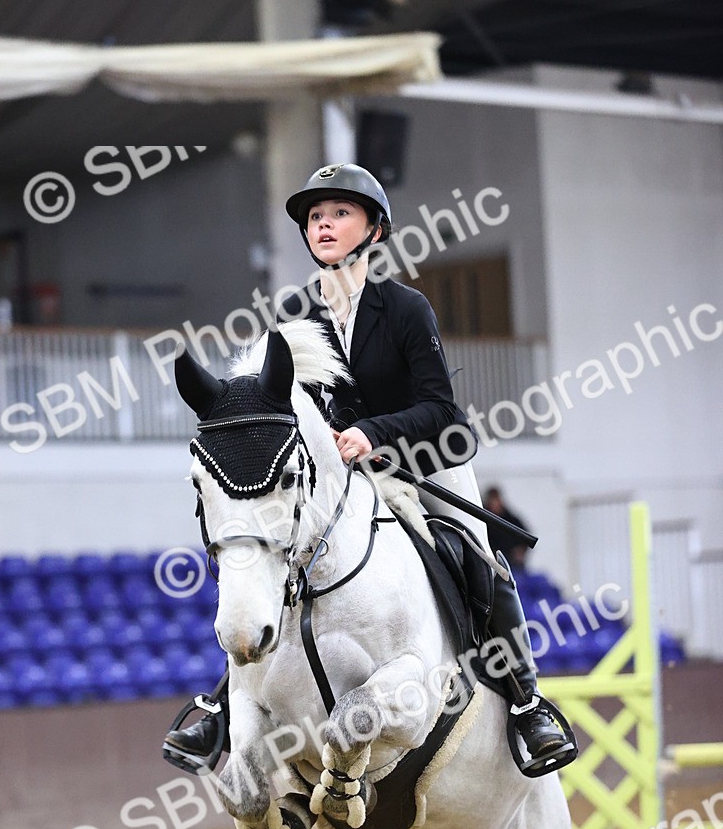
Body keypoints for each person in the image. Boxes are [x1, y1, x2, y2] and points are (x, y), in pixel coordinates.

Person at [164, 163, 574, 773]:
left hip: (423, 460)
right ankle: (225, 709)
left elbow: (440, 407)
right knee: (269, 558)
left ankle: (525, 704)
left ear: (375, 230)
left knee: (477, 560)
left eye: (340, 214)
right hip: (340, 473)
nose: (324, 225)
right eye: (315, 218)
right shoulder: (297, 315)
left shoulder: (406, 309)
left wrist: (371, 433)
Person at [484, 486, 533, 572]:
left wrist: (519, 552)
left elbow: (526, 537)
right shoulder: (483, 519)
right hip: (490, 562)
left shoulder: (510, 519)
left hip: (511, 563)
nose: (494, 504)